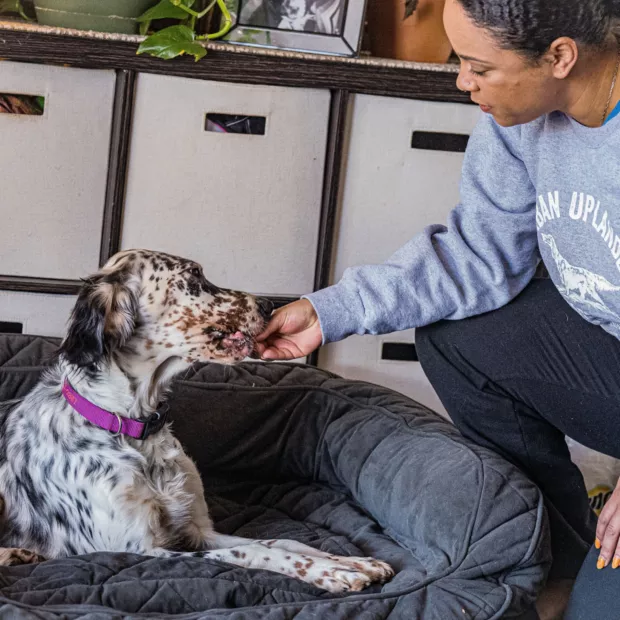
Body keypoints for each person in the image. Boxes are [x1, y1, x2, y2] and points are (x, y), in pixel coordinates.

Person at [256, 0, 620, 615]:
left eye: (479, 66)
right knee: (461, 334)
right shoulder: (520, 121)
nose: (461, 82)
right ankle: (559, 548)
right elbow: (479, 255)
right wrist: (328, 312)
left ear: (560, 56)